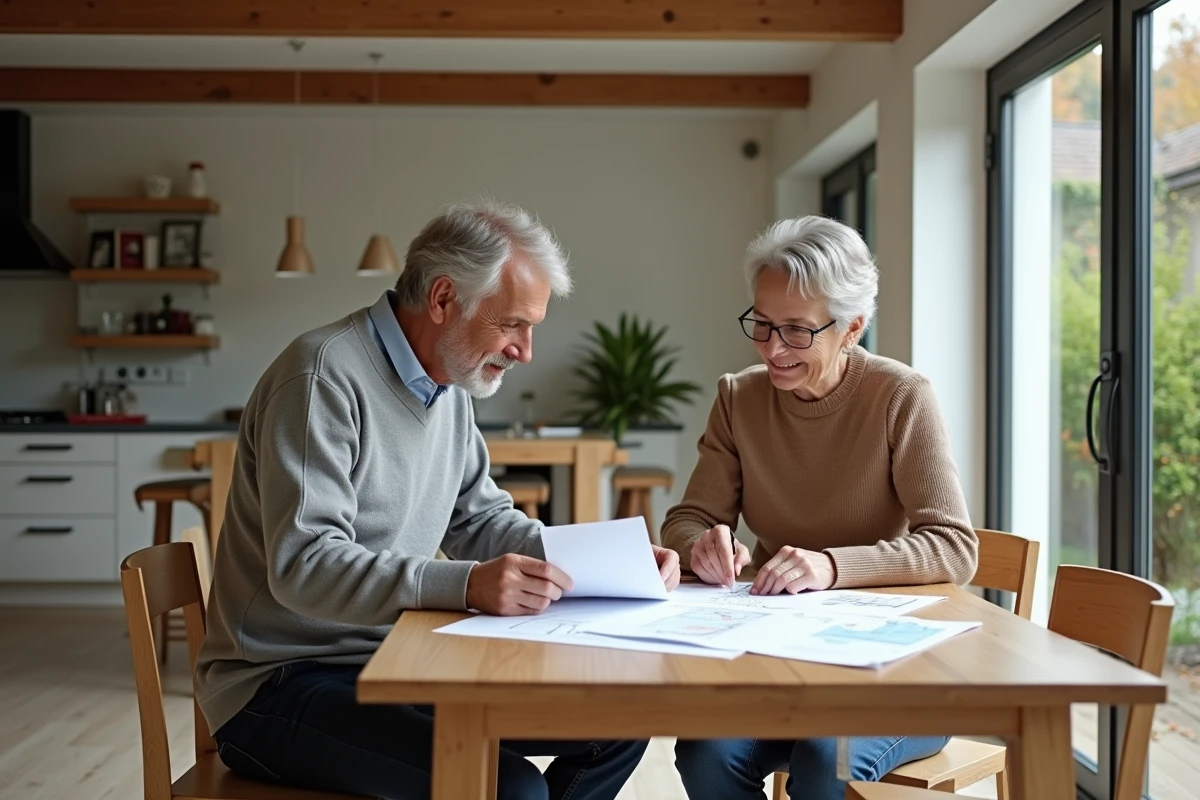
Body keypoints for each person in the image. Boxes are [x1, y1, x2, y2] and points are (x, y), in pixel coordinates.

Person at [195, 199, 679, 800]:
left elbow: (480, 518)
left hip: (396, 659)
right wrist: (468, 586)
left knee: (618, 723)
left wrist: (611, 560)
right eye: (513, 325)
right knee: (511, 791)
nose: (524, 351)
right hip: (280, 683)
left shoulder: (445, 387)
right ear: (444, 299)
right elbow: (304, 566)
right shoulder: (321, 376)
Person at [662, 215, 978, 800]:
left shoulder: (901, 396)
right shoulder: (739, 397)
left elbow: (955, 547)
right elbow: (688, 518)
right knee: (705, 752)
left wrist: (830, 566)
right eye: (762, 324)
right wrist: (701, 544)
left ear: (852, 327)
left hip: (897, 672)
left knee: (822, 760)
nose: (773, 348)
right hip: (778, 663)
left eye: (797, 331)